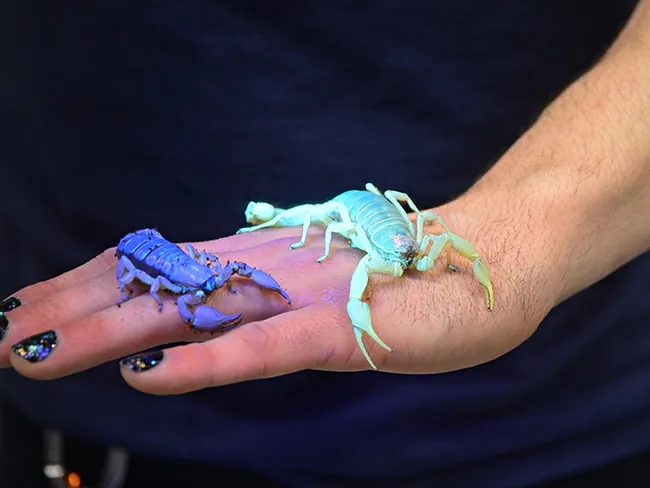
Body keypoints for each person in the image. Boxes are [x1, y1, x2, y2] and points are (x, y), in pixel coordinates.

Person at [1, 1, 649, 487]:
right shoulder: (344, 235)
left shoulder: (415, 244)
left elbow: (423, 235)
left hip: (556, 416)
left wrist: (525, 234)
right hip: (94, 409)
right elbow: (335, 229)